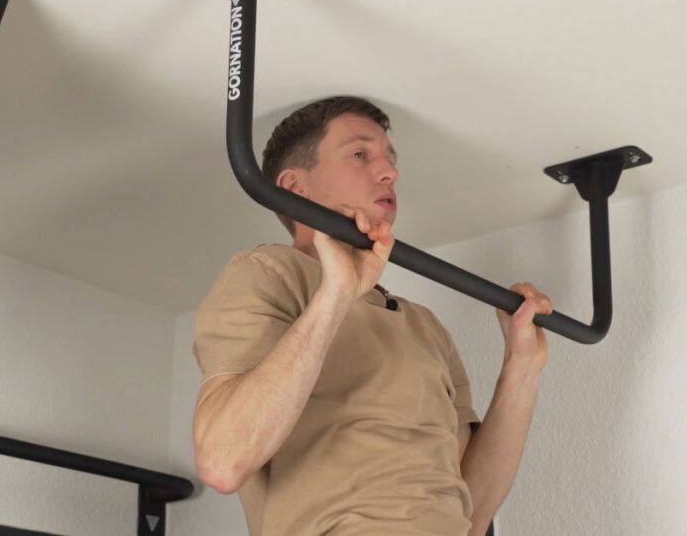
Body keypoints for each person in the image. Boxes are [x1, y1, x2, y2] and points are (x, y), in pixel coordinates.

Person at [191, 96, 552, 536]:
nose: (390, 172)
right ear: (294, 186)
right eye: (360, 155)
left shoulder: (424, 326)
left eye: (389, 159)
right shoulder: (266, 272)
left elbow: (471, 513)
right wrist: (336, 294)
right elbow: (223, 462)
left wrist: (522, 366)